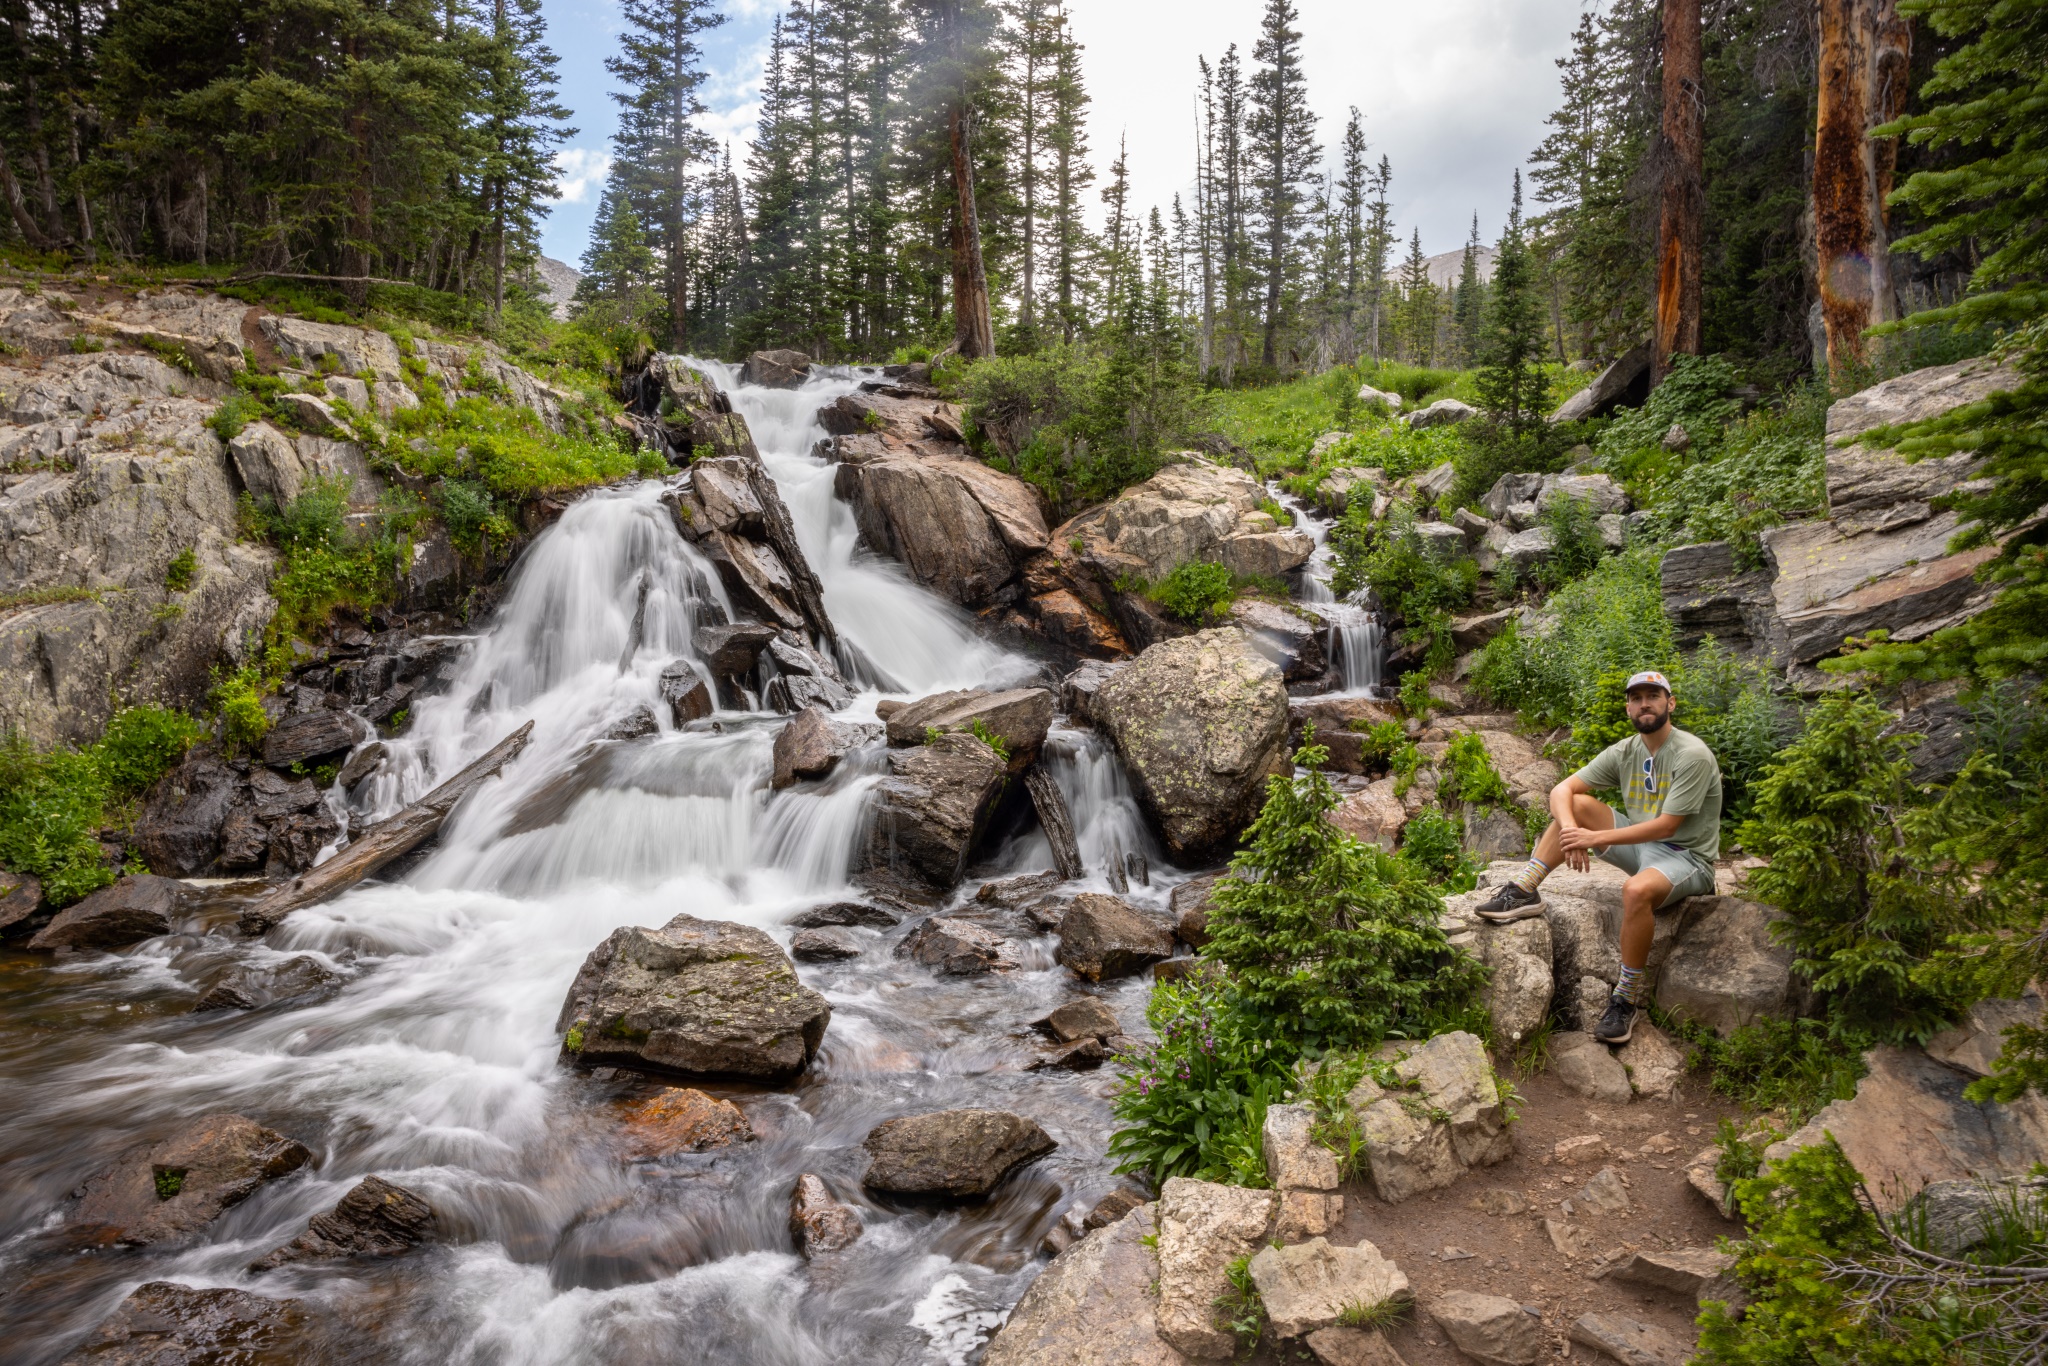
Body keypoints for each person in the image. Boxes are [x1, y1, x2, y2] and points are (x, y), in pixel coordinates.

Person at [1472, 670, 1722, 1045]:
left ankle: (1626, 998)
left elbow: (1667, 826)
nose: (1644, 704)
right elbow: (1563, 789)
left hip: (1686, 858)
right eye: (1636, 698)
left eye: (1653, 696)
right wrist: (1573, 832)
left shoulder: (1692, 754)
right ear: (1628, 707)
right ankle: (1525, 889)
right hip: (1642, 848)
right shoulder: (1627, 750)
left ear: (1670, 703)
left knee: (1636, 892)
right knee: (1576, 805)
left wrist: (1594, 837)